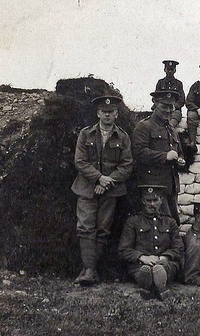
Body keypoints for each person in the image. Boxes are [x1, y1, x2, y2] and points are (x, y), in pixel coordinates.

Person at [71, 95, 133, 285]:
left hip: (111, 191)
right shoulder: (85, 134)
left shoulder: (123, 137)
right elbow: (80, 161)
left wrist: (107, 181)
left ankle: (90, 270)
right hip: (86, 188)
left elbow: (127, 165)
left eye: (111, 112)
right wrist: (99, 178)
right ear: (98, 113)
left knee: (103, 230)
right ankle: (90, 270)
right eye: (104, 112)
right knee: (85, 227)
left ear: (116, 114)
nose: (107, 115)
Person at [118, 185, 184, 300]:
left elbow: (178, 248)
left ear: (161, 200)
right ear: (143, 201)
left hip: (165, 263)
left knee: (161, 268)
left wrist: (164, 258)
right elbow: (123, 250)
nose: (152, 204)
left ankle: (152, 286)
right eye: (148, 201)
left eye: (155, 200)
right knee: (144, 269)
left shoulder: (170, 221)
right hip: (141, 264)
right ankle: (156, 286)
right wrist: (142, 257)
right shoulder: (133, 221)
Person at [132, 90, 185, 224]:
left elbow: (179, 152)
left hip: (170, 186)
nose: (168, 110)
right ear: (155, 103)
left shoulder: (171, 129)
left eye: (171, 107)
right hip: (153, 186)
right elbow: (138, 152)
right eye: (164, 106)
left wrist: (180, 160)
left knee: (171, 223)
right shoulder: (144, 126)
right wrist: (164, 156)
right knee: (158, 224)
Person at [155, 60, 186, 130]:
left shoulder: (178, 84)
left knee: (172, 123)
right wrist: (161, 106)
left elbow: (182, 99)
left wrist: (174, 106)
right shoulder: (160, 82)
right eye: (168, 69)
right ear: (164, 70)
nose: (170, 72)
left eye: (171, 70)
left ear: (175, 70)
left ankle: (169, 131)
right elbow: (155, 97)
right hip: (161, 109)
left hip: (174, 110)